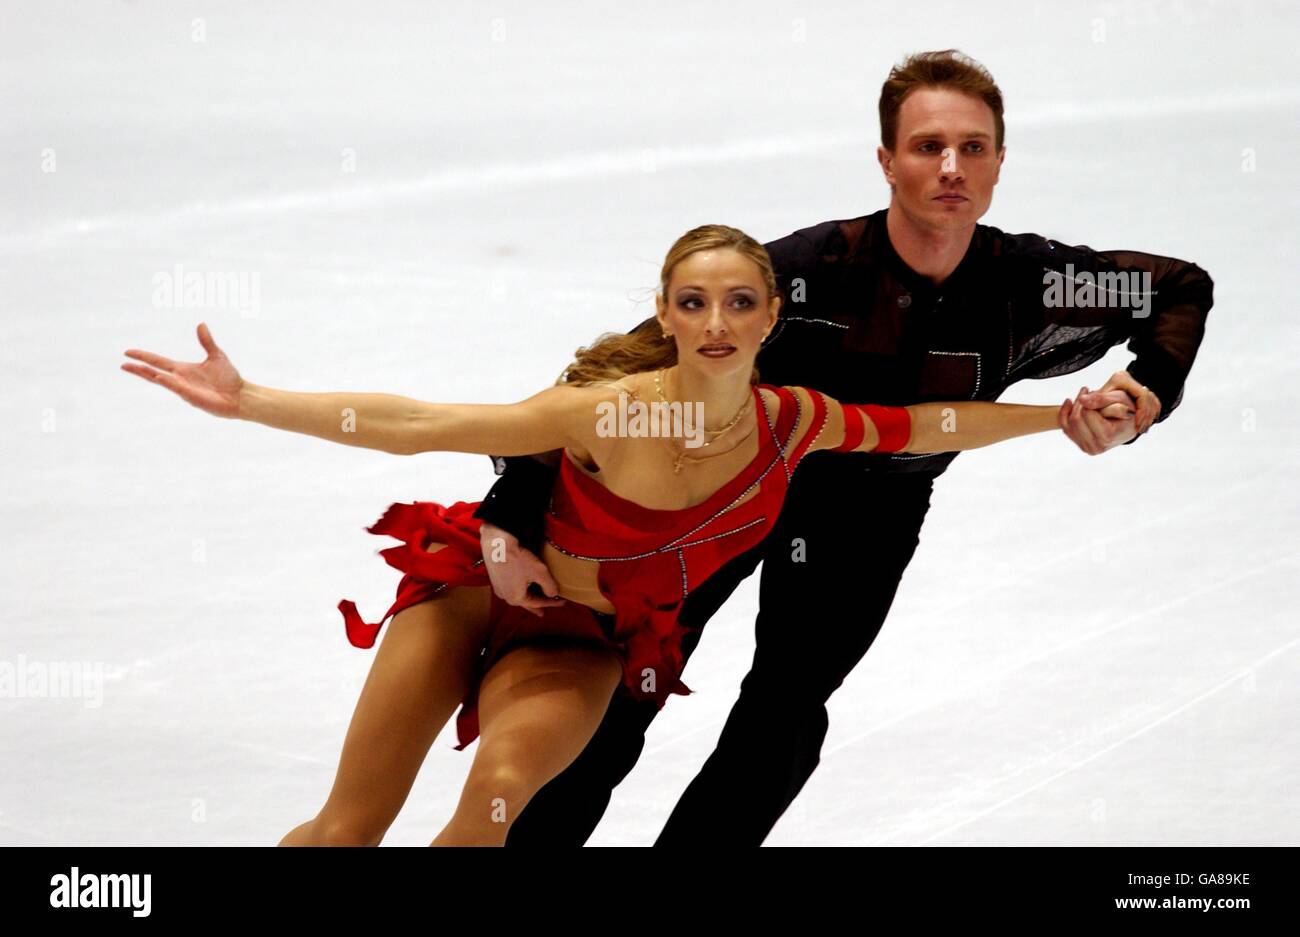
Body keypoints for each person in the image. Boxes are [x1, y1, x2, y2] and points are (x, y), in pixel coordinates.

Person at [119, 222, 1128, 846]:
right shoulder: (608, 410)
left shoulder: (796, 421)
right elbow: (420, 426)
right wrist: (250, 400)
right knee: (347, 831)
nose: (718, 321)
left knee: (501, 799)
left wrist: (1059, 416)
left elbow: (928, 424)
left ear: (772, 312)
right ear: (669, 314)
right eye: (695, 303)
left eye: (740, 301)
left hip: (583, 645)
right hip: (472, 596)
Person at [475, 50, 1215, 847]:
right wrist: (510, 510)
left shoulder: (1029, 281)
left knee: (786, 709)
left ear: (1001, 160)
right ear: (887, 161)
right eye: (928, 146)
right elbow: (609, 381)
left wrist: (1143, 392)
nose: (951, 167)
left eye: (973, 147)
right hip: (723, 496)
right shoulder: (801, 274)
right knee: (628, 686)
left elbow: (1175, 286)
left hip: (869, 518)